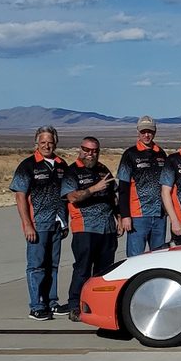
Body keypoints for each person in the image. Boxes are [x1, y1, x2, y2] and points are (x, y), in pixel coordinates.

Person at [9, 125, 68, 320]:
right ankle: (36, 305)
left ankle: (52, 302)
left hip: (57, 223)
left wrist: (65, 222)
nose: (47, 145)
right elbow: (20, 196)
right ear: (36, 143)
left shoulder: (62, 165)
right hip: (37, 224)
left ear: (56, 142)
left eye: (50, 142)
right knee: (36, 266)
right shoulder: (28, 166)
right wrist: (27, 224)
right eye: (43, 142)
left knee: (53, 265)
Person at [61, 137, 120, 322]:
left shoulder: (103, 170)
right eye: (87, 150)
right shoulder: (72, 171)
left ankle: (100, 306)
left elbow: (114, 195)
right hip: (85, 228)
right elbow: (72, 197)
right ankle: (74, 306)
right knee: (82, 269)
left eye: (94, 150)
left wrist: (118, 216)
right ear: (81, 150)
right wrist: (94, 188)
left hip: (107, 228)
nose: (90, 154)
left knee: (103, 271)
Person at [117, 115, 168, 256]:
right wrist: (125, 215)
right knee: (135, 258)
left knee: (158, 257)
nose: (147, 135)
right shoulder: (130, 154)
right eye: (143, 131)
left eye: (150, 131)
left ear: (155, 132)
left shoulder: (161, 154)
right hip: (138, 216)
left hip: (159, 216)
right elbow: (123, 188)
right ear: (138, 132)